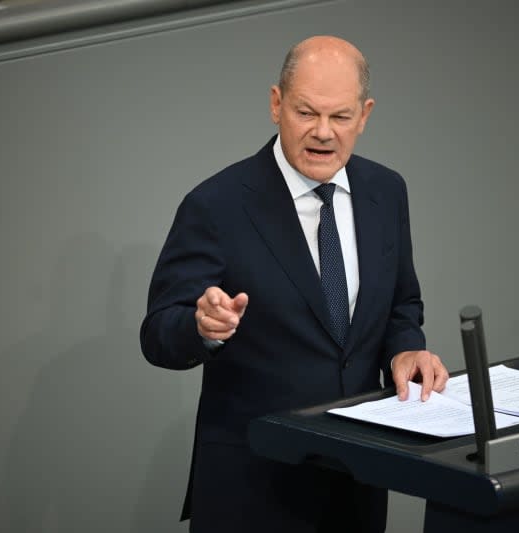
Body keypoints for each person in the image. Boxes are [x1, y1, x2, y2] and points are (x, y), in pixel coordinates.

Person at [140, 35, 449, 533]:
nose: (323, 133)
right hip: (254, 488)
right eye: (307, 113)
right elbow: (157, 334)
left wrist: (405, 352)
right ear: (276, 104)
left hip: (357, 481)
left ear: (365, 115)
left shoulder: (386, 192)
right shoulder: (217, 205)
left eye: (341, 117)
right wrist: (203, 328)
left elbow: (401, 305)